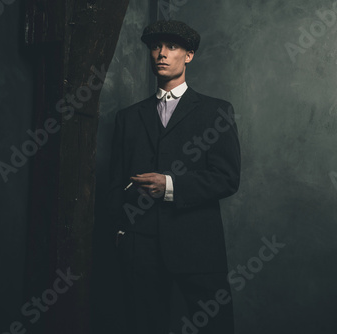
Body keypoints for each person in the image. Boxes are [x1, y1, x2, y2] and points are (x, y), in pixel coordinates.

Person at [108, 19, 241, 334]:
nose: (161, 54)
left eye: (172, 47)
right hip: (141, 251)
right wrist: (122, 234)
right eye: (156, 47)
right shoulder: (127, 118)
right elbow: (115, 183)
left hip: (198, 250)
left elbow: (227, 178)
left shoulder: (216, 112)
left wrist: (168, 186)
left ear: (189, 55)